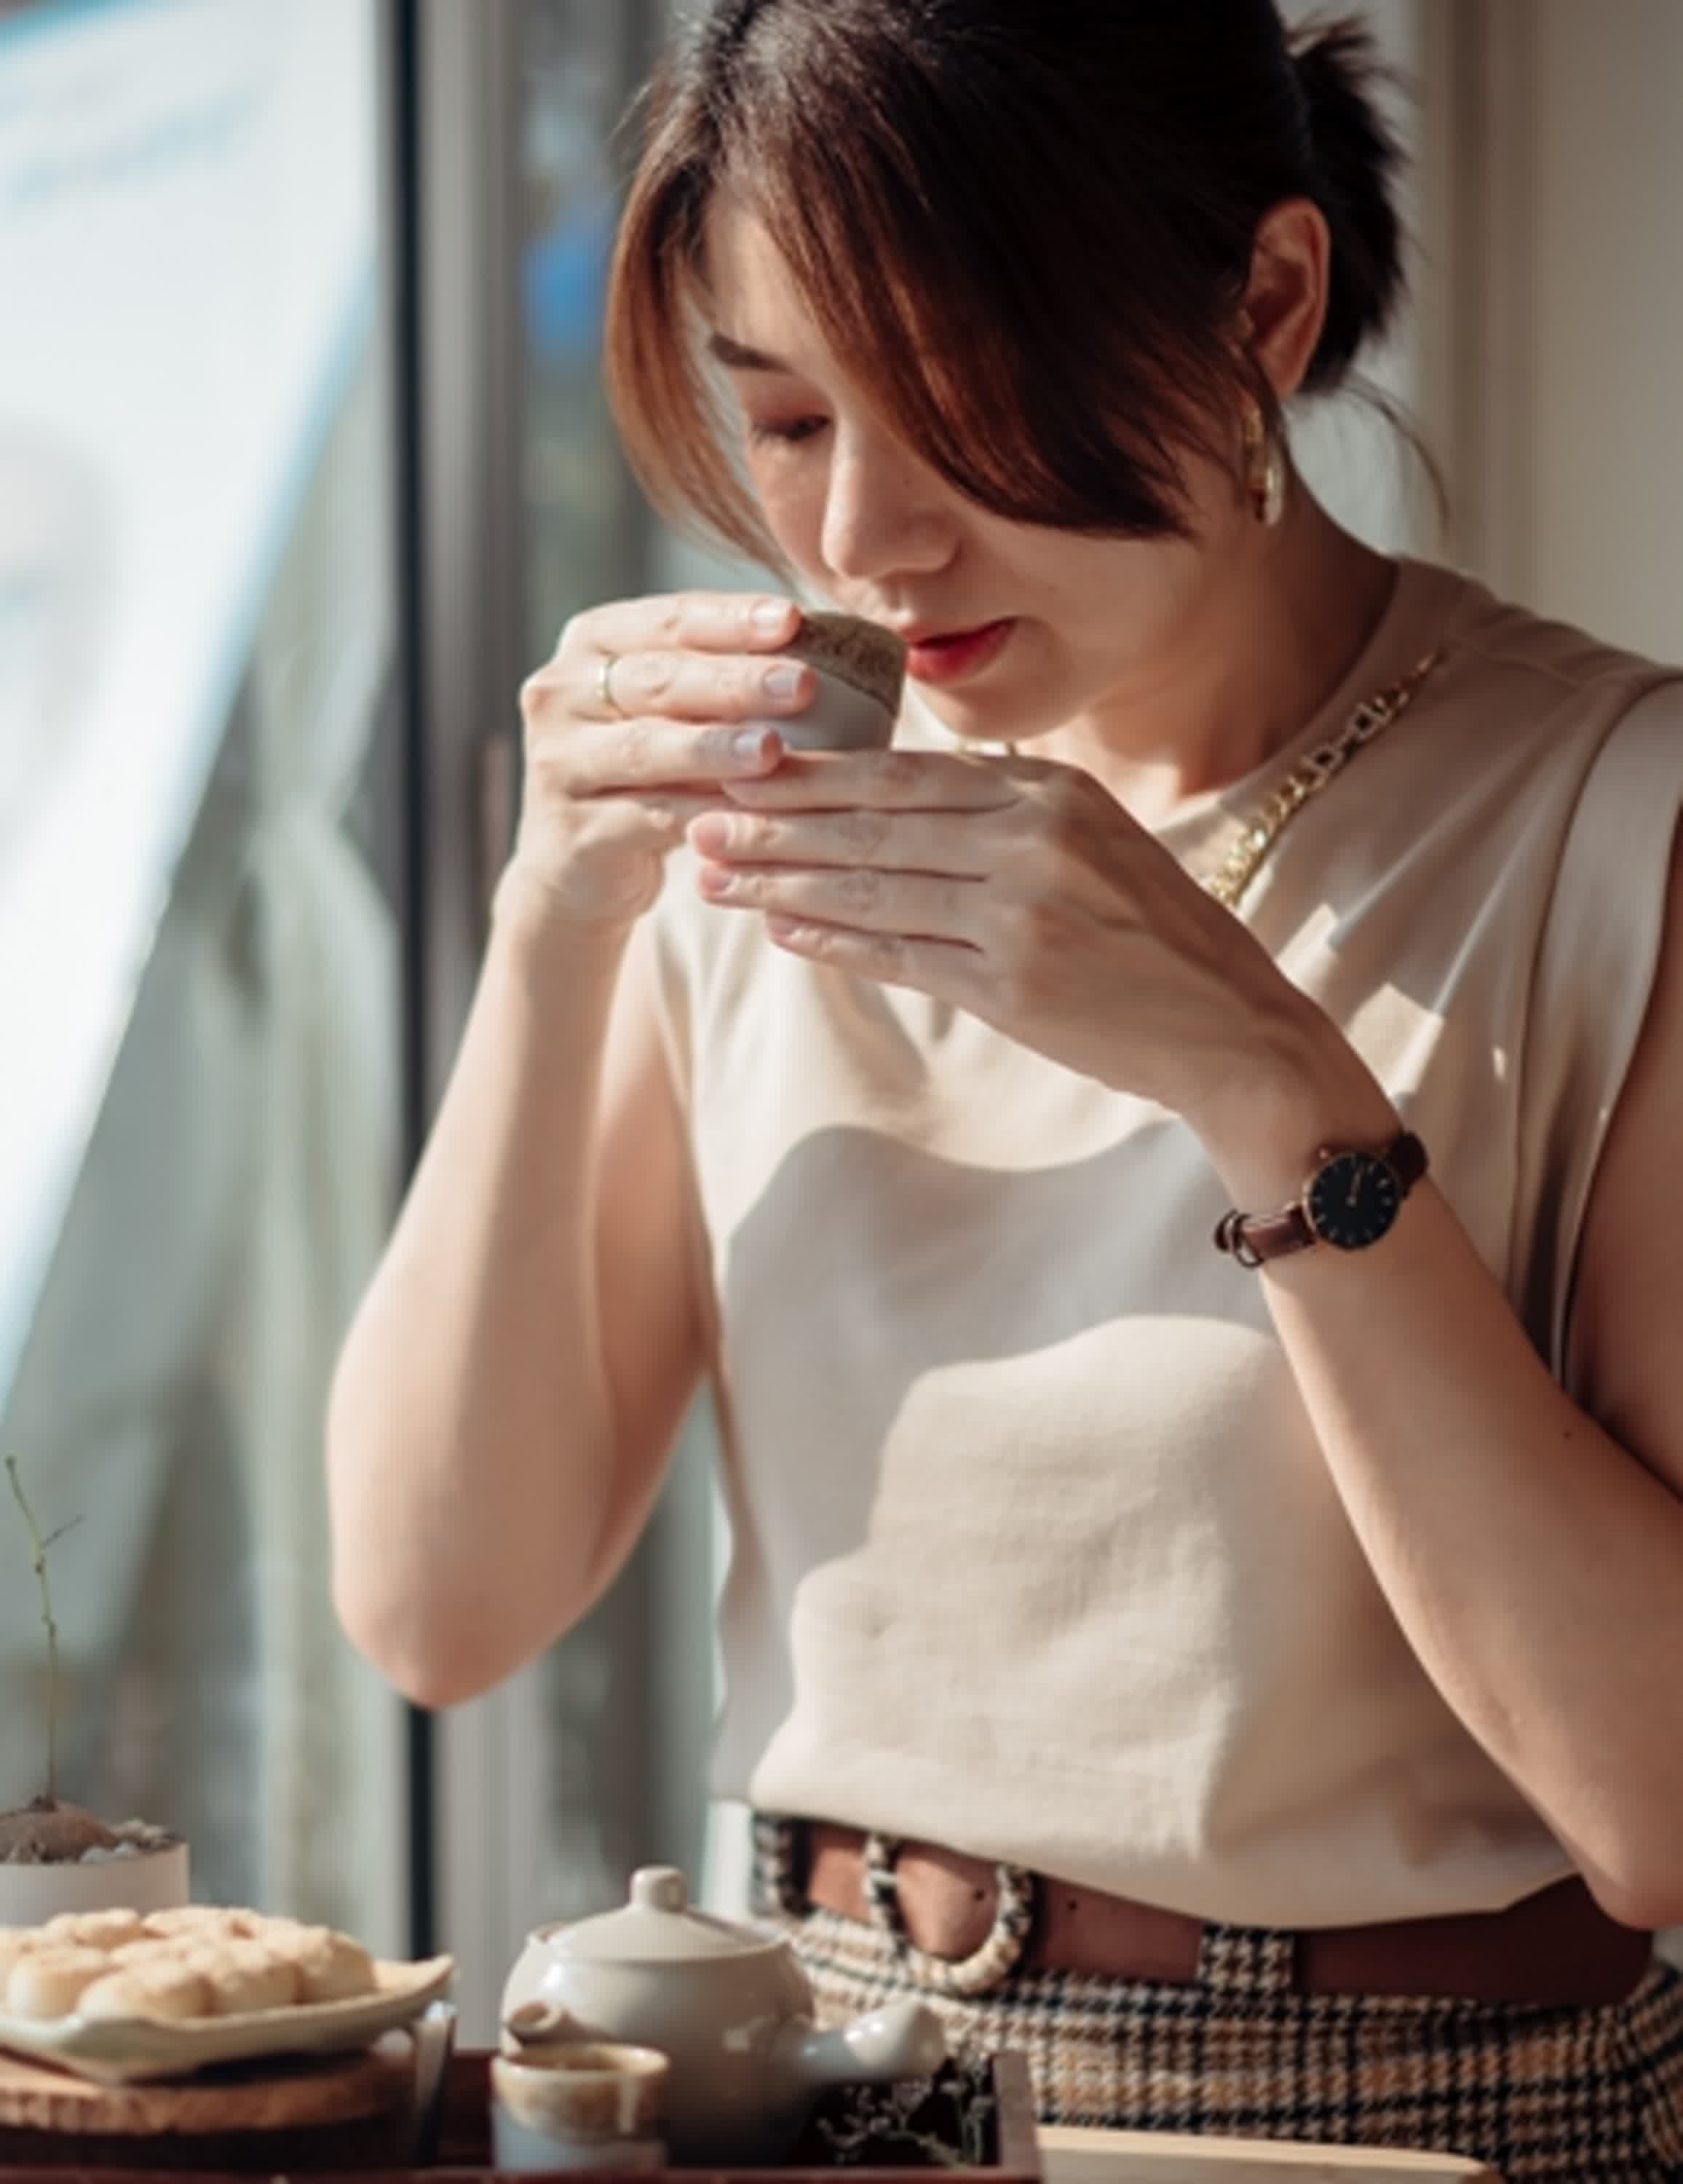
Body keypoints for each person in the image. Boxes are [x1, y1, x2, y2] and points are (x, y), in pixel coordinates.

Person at [325, 2, 1683, 2172]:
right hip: (792, 2070)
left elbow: (1656, 1810)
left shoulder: (1615, 820)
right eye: (780, 420)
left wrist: (1261, 1080)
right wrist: (553, 916)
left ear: (1266, 301)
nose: (865, 536)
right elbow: (438, 1603)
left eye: (963, 408)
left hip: (1405, 2118)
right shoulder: (761, 816)